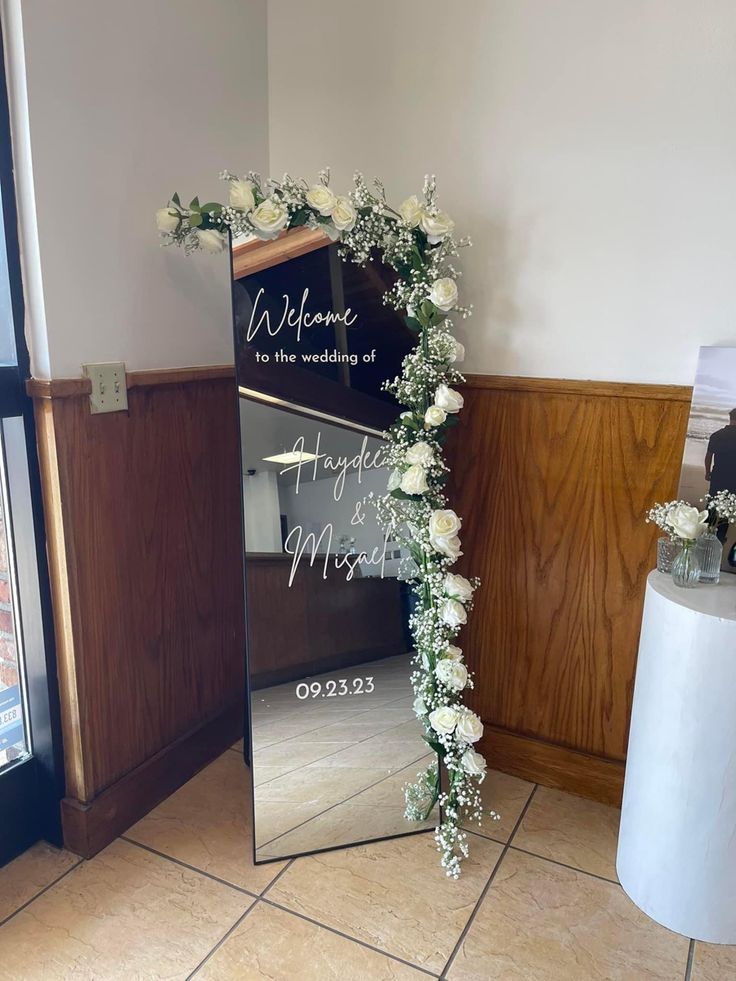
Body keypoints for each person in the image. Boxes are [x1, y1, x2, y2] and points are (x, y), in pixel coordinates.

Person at [705, 408, 736, 543]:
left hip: (718, 475)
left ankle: (707, 536)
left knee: (712, 505)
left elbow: (708, 456)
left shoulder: (717, 435)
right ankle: (720, 539)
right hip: (733, 478)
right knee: (726, 508)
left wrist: (707, 472)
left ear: (731, 418)